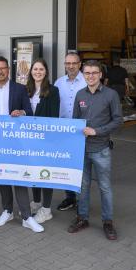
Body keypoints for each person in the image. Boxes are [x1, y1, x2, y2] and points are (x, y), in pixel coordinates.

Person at [0, 56, 42, 232]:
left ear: (8, 70)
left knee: (19, 176)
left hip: (17, 141)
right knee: (2, 176)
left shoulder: (20, 89)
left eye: (3, 68)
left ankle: (26, 216)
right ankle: (7, 211)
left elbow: (29, 112)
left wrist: (20, 111)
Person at [67, 60, 122, 240]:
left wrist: (97, 131)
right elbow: (75, 120)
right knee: (82, 186)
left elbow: (117, 121)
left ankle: (108, 222)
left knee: (105, 187)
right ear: (83, 74)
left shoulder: (111, 95)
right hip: (82, 150)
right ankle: (82, 218)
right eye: (87, 73)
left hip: (101, 149)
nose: (90, 76)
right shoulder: (79, 94)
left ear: (100, 75)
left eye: (94, 73)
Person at [26, 59, 60, 224]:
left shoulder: (53, 91)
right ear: (31, 71)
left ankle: (46, 209)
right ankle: (37, 202)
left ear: (46, 72)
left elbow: (54, 118)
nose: (37, 72)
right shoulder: (26, 90)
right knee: (33, 172)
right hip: (29, 140)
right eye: (35, 69)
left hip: (46, 140)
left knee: (45, 173)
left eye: (41, 69)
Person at [54, 52, 86, 211]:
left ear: (80, 64)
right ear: (65, 65)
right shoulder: (58, 83)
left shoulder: (88, 81)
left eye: (74, 63)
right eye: (68, 63)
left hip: (82, 132)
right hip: (63, 133)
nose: (71, 66)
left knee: (81, 168)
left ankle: (82, 201)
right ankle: (70, 198)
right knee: (66, 166)